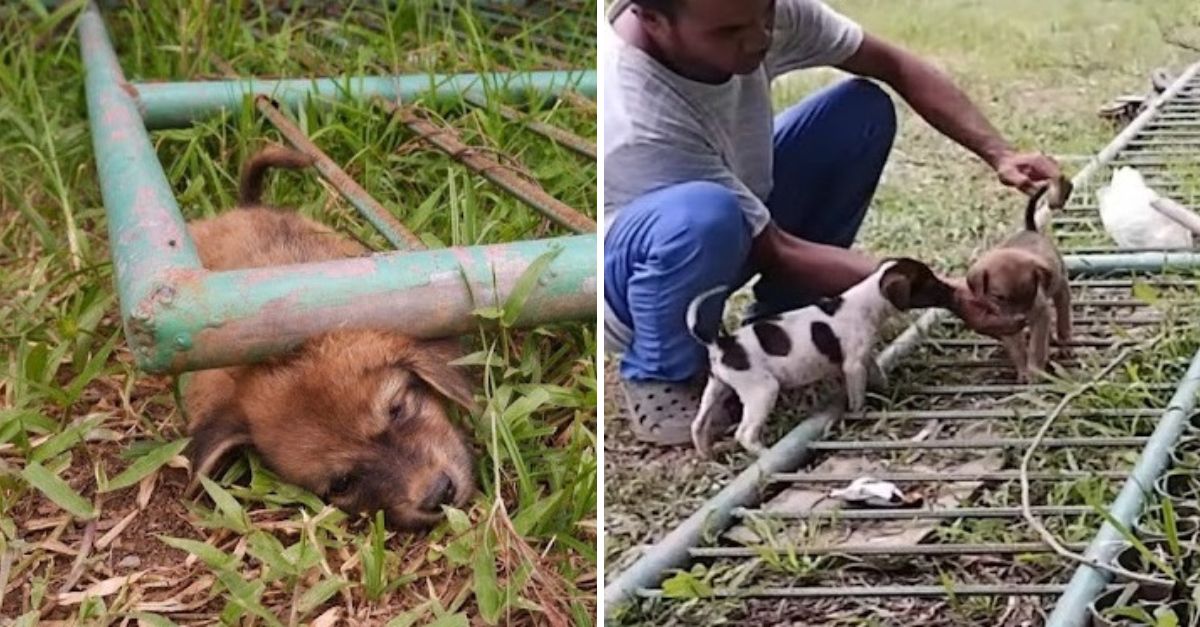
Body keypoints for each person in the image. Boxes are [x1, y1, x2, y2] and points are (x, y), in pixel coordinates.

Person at [602, 0, 1063, 444]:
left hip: (729, 206)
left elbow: (892, 63)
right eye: (730, 31)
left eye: (765, 13)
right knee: (705, 217)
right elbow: (775, 249)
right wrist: (944, 293)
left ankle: (783, 315)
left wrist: (1000, 153)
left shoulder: (746, 10)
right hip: (649, 268)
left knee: (859, 113)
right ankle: (659, 372)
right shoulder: (634, 112)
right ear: (653, 20)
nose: (760, 37)